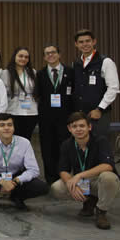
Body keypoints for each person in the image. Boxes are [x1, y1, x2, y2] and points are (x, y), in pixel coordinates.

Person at [50, 112, 120, 229]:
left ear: (89, 127)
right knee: (56, 188)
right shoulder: (67, 145)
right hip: (84, 182)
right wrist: (70, 183)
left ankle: (101, 211)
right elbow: (63, 169)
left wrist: (79, 176)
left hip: (101, 181)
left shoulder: (101, 141)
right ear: (69, 129)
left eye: (82, 126)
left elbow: (108, 166)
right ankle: (89, 200)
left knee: (108, 177)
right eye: (74, 126)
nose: (78, 129)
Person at [0, 113, 49, 211]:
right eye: (2, 125)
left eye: (9, 125)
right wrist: (1, 181)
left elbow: (34, 170)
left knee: (42, 187)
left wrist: (16, 181)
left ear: (14, 127)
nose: (6, 128)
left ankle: (17, 197)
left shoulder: (24, 143)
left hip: (15, 177)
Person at [72, 29, 120, 140]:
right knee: (83, 147)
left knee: (99, 145)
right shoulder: (76, 63)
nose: (85, 44)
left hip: (98, 115)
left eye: (87, 41)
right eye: (81, 42)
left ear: (94, 41)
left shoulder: (106, 62)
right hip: (80, 115)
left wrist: (100, 109)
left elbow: (113, 88)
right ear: (76, 44)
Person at [36, 44, 74, 184]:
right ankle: (51, 179)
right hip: (46, 118)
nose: (50, 55)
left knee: (64, 147)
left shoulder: (70, 72)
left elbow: (74, 94)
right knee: (47, 148)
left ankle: (64, 177)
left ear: (59, 54)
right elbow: (38, 95)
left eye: (53, 52)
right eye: (47, 53)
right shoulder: (40, 74)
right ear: (44, 57)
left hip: (65, 117)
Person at [0, 47, 38, 140]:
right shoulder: (6, 73)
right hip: (13, 110)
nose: (23, 59)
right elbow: (2, 93)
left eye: (26, 57)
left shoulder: (32, 72)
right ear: (14, 57)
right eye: (20, 56)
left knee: (26, 138)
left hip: (30, 111)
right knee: (14, 139)